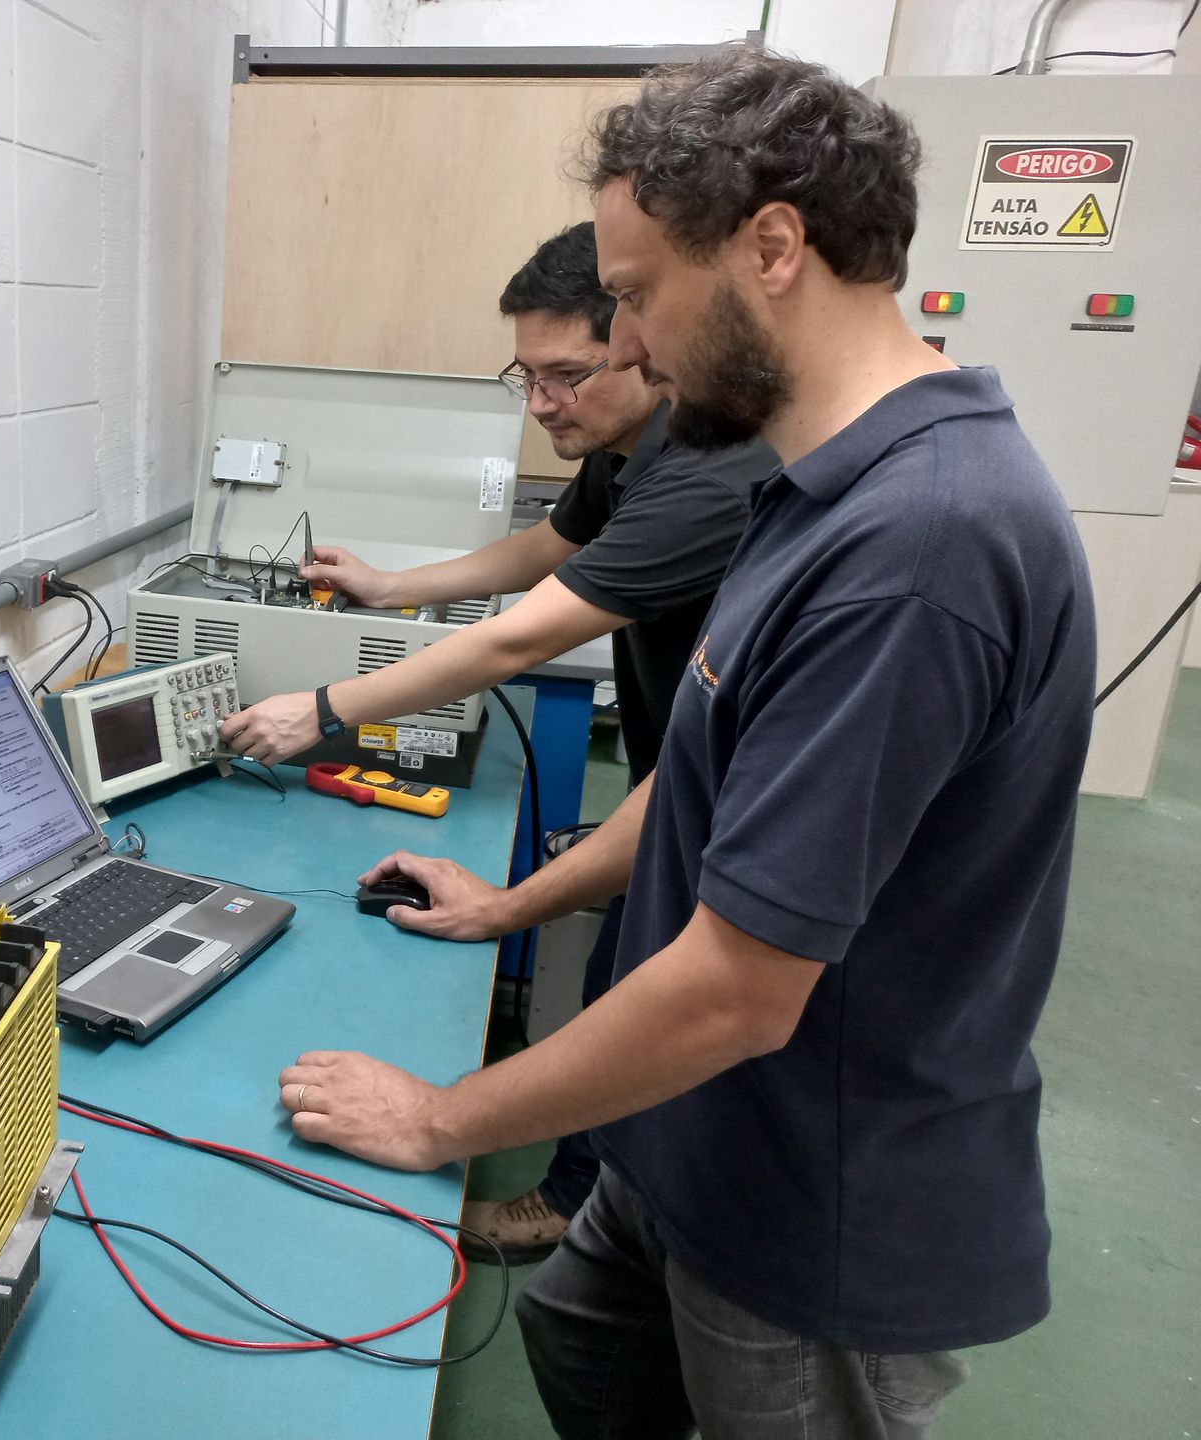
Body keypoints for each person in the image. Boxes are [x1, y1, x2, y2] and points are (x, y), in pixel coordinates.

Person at [272, 47, 1096, 1439]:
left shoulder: (919, 547)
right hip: (694, 1130)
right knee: (581, 1341)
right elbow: (701, 780)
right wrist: (511, 907)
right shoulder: (814, 488)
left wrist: (441, 1119)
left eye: (642, 295)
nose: (631, 348)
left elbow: (736, 995)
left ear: (772, 248)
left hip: (813, 1194)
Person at [219, 224, 774, 1260]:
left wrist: (323, 709)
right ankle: (596, 1196)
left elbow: (517, 640)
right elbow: (545, 548)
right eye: (528, 377)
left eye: (568, 376)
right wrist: (391, 585)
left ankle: (577, 1203)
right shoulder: (626, 450)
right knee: (625, 974)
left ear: (640, 342)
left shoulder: (704, 474)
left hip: (731, 797)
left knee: (643, 999)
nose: (542, 404)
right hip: (680, 774)